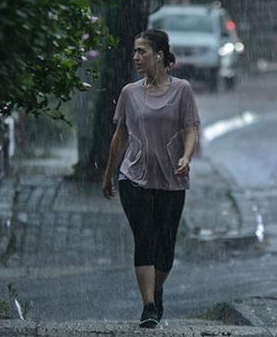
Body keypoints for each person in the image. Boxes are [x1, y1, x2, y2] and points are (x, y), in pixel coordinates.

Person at [101, 29, 200, 329]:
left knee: (166, 249)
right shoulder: (130, 93)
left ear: (159, 55)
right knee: (144, 238)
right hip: (134, 178)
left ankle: (156, 289)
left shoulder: (182, 90)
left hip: (171, 179)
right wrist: (109, 175)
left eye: (142, 51)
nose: (136, 57)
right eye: (134, 52)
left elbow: (191, 128)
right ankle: (148, 307)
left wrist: (186, 156)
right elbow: (120, 136)